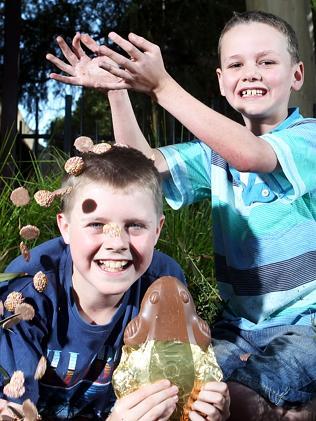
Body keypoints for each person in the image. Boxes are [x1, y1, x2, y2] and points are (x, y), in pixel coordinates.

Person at [46, 9, 316, 419]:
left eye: (266, 62)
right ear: (222, 81)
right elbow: (142, 171)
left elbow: (252, 155)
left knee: (242, 401)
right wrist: (118, 90)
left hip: (306, 324)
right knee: (193, 395)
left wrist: (163, 86)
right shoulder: (214, 156)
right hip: (238, 327)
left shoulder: (307, 138)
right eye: (236, 64)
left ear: (296, 75)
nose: (251, 73)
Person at [0, 146, 230, 420]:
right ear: (66, 227)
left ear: (157, 230)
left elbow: (173, 393)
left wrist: (202, 406)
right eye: (97, 224)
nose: (117, 243)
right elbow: (11, 412)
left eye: (135, 225)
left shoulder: (164, 287)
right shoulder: (27, 292)